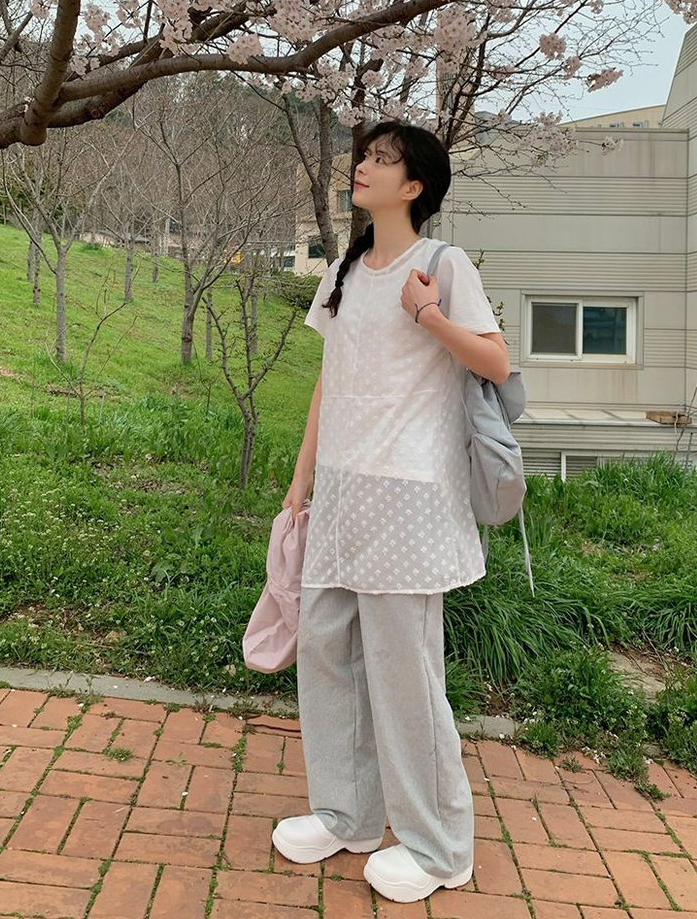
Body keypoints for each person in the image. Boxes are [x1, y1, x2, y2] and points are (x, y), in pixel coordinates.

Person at [272, 121, 511, 904]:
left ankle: (442, 849)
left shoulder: (443, 265)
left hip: (409, 496)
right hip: (342, 491)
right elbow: (330, 377)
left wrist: (431, 317)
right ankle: (347, 815)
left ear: (414, 186)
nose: (363, 167)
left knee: (406, 676)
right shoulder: (344, 268)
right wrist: (301, 477)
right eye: (364, 156)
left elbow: (496, 362)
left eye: (382, 160)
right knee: (328, 650)